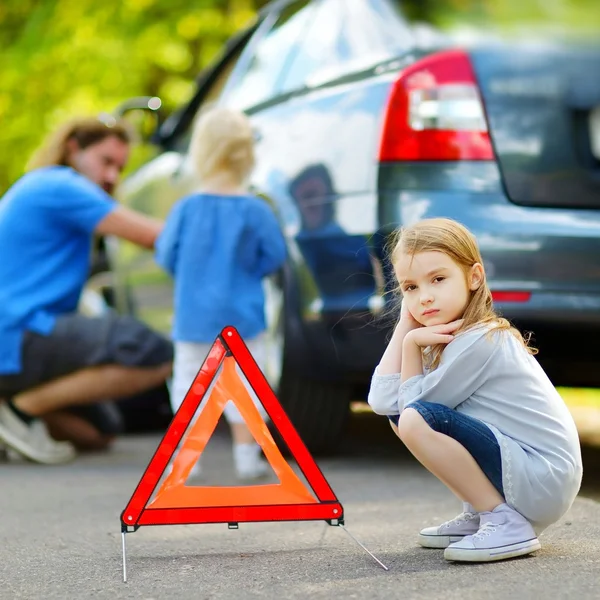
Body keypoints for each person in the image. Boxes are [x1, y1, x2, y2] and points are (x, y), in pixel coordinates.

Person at [367, 217, 582, 563]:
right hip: (528, 474)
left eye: (437, 279)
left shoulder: (480, 340)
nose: (425, 297)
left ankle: (504, 521)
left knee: (413, 419)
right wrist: (406, 324)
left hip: (542, 478)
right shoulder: (453, 336)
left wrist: (410, 347)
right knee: (402, 417)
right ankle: (483, 512)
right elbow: (382, 403)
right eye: (410, 288)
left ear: (474, 277)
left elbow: (412, 413)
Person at [0, 117, 173, 464]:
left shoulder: (42, 187)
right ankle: (20, 413)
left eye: (120, 168)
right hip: (17, 331)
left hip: (24, 335)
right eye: (106, 162)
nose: (112, 177)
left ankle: (12, 412)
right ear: (73, 149)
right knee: (154, 352)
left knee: (100, 430)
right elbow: (153, 236)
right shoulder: (60, 185)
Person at [155, 107, 286, 480]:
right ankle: (247, 457)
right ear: (248, 155)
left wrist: (191, 275)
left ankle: (187, 459)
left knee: (188, 384)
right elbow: (274, 256)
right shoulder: (256, 210)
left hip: (193, 315)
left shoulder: (185, 208)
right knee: (247, 384)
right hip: (243, 315)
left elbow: (166, 255)